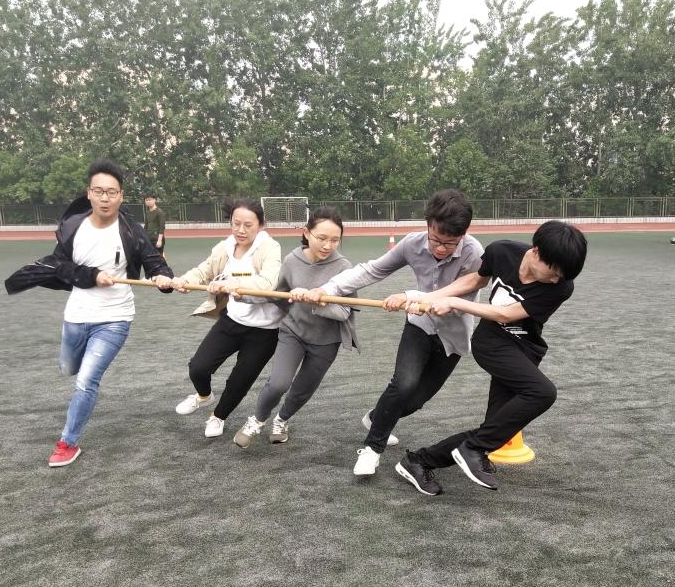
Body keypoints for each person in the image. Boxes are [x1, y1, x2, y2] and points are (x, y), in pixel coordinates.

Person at [394, 221, 587, 496]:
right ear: (536, 252)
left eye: (561, 276)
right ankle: (472, 449)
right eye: (554, 273)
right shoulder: (502, 251)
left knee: (494, 430)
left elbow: (507, 314)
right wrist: (425, 298)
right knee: (543, 392)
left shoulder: (562, 287)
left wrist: (454, 303)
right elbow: (475, 280)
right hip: (492, 342)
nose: (557, 280)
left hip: (525, 348)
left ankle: (419, 461)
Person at [298, 189, 483, 476]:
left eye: (450, 243)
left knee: (416, 400)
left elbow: (462, 299)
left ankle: (376, 417)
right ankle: (372, 450)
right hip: (419, 326)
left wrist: (411, 295)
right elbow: (371, 270)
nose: (440, 249)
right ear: (428, 225)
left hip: (453, 336)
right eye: (435, 239)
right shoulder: (412, 243)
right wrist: (327, 289)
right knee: (403, 385)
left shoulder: (474, 253)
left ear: (464, 234)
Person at [4, 159, 174, 466]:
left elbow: (155, 263)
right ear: (89, 193)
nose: (105, 198)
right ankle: (76, 369)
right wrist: (92, 275)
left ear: (121, 196)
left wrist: (162, 278)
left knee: (85, 380)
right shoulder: (74, 228)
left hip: (115, 319)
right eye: (99, 191)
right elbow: (59, 266)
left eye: (112, 192)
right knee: (69, 368)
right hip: (76, 316)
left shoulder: (131, 231)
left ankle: (67, 443)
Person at [232, 207, 359, 447]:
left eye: (335, 240)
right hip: (293, 332)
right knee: (278, 383)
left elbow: (345, 312)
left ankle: (282, 419)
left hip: (326, 341)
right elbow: (277, 295)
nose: (328, 245)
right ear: (307, 233)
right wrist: (243, 295)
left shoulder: (344, 267)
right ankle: (257, 420)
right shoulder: (292, 260)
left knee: (303, 390)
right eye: (322, 238)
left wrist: (316, 301)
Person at [168, 198, 283, 438]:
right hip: (232, 320)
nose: (241, 230)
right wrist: (184, 280)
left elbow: (268, 283)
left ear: (261, 225)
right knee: (198, 368)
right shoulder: (225, 247)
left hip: (265, 330)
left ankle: (218, 417)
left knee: (240, 380)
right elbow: (204, 270)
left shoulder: (270, 248)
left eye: (248, 225)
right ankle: (204, 396)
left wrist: (234, 282)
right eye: (236, 223)